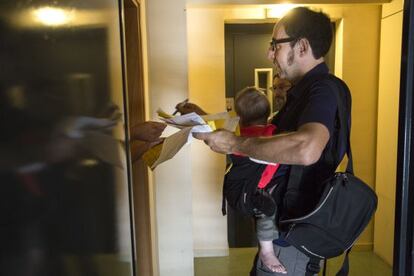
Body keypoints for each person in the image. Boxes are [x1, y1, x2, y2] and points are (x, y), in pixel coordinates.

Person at [193, 7, 351, 276]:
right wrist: (198, 117)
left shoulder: (321, 89)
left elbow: (307, 148)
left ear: (301, 46)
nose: (270, 54)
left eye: (275, 45)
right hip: (284, 232)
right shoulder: (303, 93)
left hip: (291, 240)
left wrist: (233, 144)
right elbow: (261, 135)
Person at [227, 87, 286, 274]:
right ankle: (267, 251)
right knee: (266, 215)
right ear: (268, 115)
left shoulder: (240, 135)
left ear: (241, 118)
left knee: (263, 215)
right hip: (263, 187)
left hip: (248, 186)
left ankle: (265, 249)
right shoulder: (272, 130)